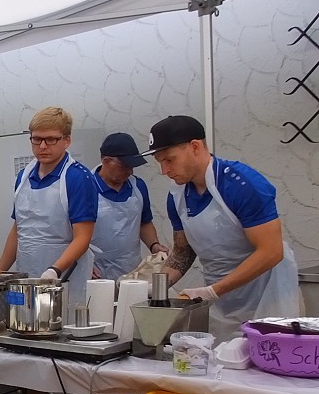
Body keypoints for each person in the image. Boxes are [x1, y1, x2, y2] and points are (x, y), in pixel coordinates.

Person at [147, 115, 300, 340]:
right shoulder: (177, 197)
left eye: (169, 160)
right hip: (222, 301)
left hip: (268, 297)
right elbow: (183, 252)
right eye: (159, 162)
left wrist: (213, 291)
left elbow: (271, 251)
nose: (164, 170)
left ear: (195, 147)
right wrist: (153, 288)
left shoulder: (242, 184)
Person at [0, 106, 98, 319]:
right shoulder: (24, 176)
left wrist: (55, 271)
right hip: (27, 279)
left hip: (64, 281)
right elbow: (18, 230)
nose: (42, 146)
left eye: (51, 140)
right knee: (24, 326)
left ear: (66, 140)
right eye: (36, 139)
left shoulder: (78, 178)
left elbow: (83, 237)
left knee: (60, 329)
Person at [90, 133, 168, 281]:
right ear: (106, 161)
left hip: (132, 270)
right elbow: (71, 231)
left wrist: (154, 245)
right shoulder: (85, 187)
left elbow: (144, 222)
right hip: (95, 271)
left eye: (132, 166)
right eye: (124, 166)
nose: (130, 171)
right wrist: (83, 263)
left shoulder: (138, 186)